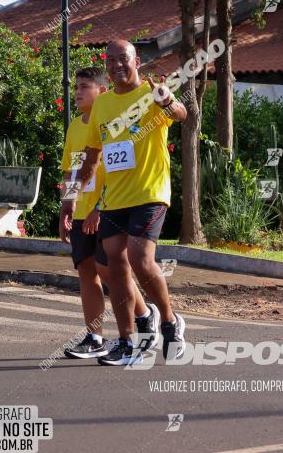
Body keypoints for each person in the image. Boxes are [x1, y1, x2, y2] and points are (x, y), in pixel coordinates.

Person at [75, 41, 187, 366]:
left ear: (136, 61)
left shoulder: (152, 93)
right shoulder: (103, 104)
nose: (115, 65)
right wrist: (74, 197)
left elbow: (181, 114)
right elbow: (94, 154)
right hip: (116, 197)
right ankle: (126, 342)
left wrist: (167, 101)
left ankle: (169, 320)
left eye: (122, 59)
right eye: (109, 60)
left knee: (140, 257)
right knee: (114, 265)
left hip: (150, 192)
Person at [59, 66, 159, 359]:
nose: (77, 92)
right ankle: (95, 337)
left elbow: (119, 172)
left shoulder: (114, 126)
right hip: (81, 212)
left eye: (84, 87)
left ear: (102, 92)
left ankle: (144, 317)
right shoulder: (76, 126)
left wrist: (100, 208)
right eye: (76, 86)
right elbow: (71, 170)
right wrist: (67, 205)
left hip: (110, 207)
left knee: (112, 269)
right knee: (86, 271)